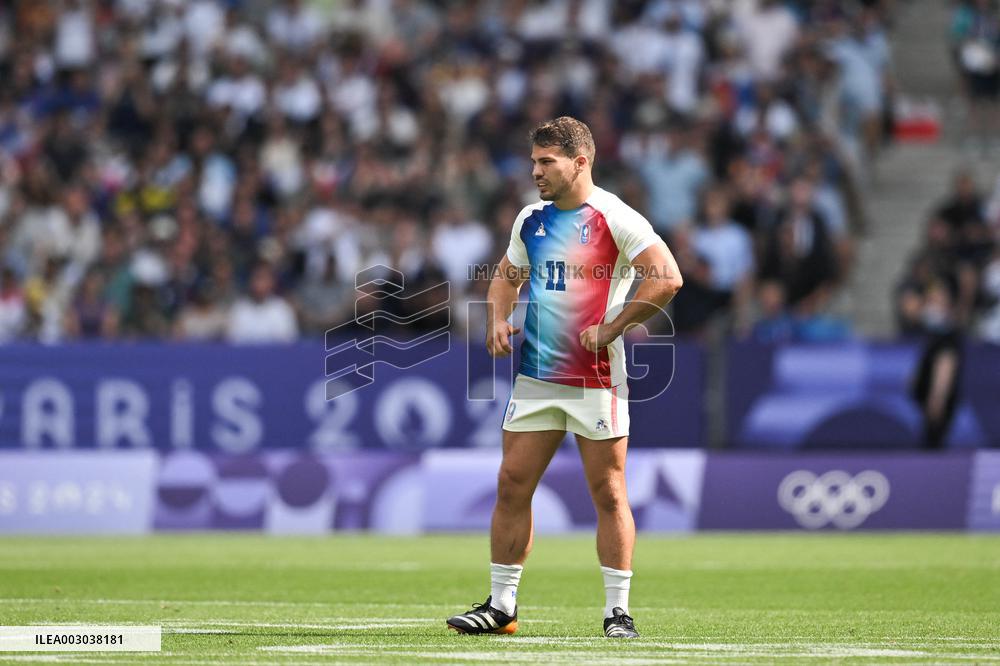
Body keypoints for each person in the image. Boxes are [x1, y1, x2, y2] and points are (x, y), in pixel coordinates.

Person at [445, 117, 683, 639]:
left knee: (608, 492)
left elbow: (666, 277)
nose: (535, 171)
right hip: (536, 378)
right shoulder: (531, 219)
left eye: (546, 161)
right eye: (534, 161)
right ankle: (502, 606)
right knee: (511, 485)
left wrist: (616, 326)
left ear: (580, 162)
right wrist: (496, 319)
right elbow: (506, 277)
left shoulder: (615, 217)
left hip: (595, 379)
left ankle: (617, 611)